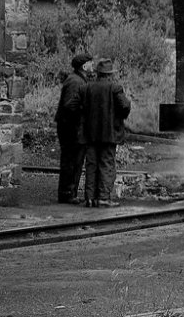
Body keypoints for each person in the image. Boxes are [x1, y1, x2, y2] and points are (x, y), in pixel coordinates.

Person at [76, 58, 131, 208]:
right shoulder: (115, 88)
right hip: (109, 134)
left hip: (89, 134)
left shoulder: (85, 88)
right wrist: (118, 117)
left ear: (98, 73)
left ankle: (89, 198)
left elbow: (77, 107)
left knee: (91, 165)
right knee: (106, 165)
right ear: (110, 74)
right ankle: (103, 198)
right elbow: (125, 106)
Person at [54, 53, 91, 204]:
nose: (92, 66)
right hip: (71, 128)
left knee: (72, 160)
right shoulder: (76, 82)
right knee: (72, 161)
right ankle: (68, 193)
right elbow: (70, 105)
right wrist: (84, 110)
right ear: (84, 66)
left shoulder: (76, 79)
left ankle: (69, 192)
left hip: (69, 126)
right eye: (90, 63)